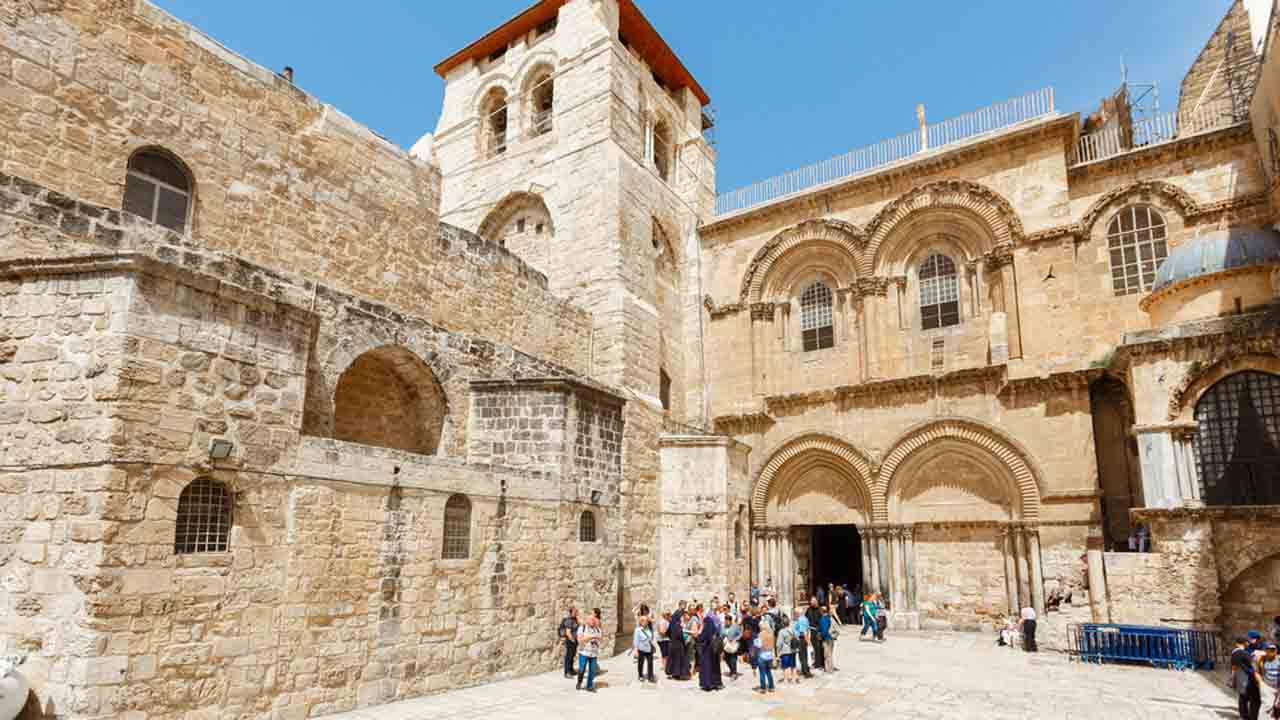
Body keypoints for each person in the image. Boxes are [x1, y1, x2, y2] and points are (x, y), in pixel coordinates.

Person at [1234, 636, 1263, 720]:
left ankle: (1247, 716)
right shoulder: (1243, 652)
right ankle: (1246, 716)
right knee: (1247, 697)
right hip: (1247, 678)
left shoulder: (1236, 652)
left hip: (1247, 678)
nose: (1249, 642)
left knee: (1248, 698)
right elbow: (1249, 665)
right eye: (1248, 641)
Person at [697, 605, 723, 691]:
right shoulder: (715, 629)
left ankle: (708, 684)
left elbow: (702, 638)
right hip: (714, 651)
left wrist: (698, 635)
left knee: (707, 667)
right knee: (715, 667)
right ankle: (716, 683)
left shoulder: (707, 627)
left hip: (707, 651)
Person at [576, 614, 603, 692]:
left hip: (593, 653)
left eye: (594, 620)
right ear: (587, 620)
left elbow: (601, 640)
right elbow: (580, 640)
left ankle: (589, 686)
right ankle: (579, 682)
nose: (593, 621)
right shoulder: (582, 628)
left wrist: (597, 640)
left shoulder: (598, 629)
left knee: (592, 670)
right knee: (582, 669)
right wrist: (591, 637)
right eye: (591, 620)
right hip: (584, 652)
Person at [754, 620, 776, 694]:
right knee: (768, 671)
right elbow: (773, 646)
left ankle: (763, 688)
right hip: (769, 655)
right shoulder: (771, 633)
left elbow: (759, 645)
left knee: (762, 672)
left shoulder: (761, 634)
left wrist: (755, 643)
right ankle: (771, 687)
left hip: (762, 655)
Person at [1257, 643, 1278, 718]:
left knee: (1277, 706)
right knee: (1267, 705)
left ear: (1276, 650)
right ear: (1266, 650)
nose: (1271, 651)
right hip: (1267, 686)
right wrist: (1260, 683)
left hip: (1278, 687)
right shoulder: (1261, 659)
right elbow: (1256, 672)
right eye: (1269, 649)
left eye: (1273, 649)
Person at [634, 613, 656, 683]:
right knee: (641, 663)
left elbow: (651, 638)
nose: (645, 622)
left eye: (646, 621)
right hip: (641, 648)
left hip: (649, 648)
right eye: (643, 621)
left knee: (650, 663)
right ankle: (640, 675)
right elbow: (636, 640)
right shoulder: (638, 630)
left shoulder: (649, 629)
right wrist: (636, 650)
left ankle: (650, 676)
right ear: (640, 622)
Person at [667, 609, 688, 680]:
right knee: (678, 660)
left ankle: (673, 672)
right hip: (678, 644)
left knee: (674, 659)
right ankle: (677, 674)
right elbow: (679, 635)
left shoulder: (672, 623)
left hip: (672, 643)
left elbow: (668, 633)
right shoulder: (677, 624)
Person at [805, 596, 825, 671]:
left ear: (817, 601)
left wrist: (819, 630)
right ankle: (814, 662)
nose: (812, 602)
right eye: (811, 601)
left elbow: (822, 621)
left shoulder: (820, 610)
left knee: (819, 647)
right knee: (813, 647)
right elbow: (806, 619)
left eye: (814, 601)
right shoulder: (808, 609)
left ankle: (820, 663)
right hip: (811, 630)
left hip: (818, 630)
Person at [560, 606, 580, 679]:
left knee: (572, 656)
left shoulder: (575, 619)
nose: (576, 613)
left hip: (575, 640)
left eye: (576, 611)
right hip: (570, 640)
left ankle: (571, 670)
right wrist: (572, 640)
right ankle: (567, 672)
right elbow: (568, 632)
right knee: (569, 656)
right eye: (575, 612)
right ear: (571, 612)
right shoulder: (569, 620)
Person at [777, 616, 798, 684]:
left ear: (783, 624)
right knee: (793, 665)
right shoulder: (793, 630)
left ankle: (786, 679)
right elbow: (797, 637)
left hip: (785, 651)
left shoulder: (781, 631)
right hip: (793, 650)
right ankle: (794, 678)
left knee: (785, 666)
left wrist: (778, 651)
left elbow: (779, 643)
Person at [722, 612, 742, 680]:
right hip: (726, 645)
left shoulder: (735, 627)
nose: (726, 622)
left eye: (727, 621)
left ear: (730, 621)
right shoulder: (723, 627)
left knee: (733, 659)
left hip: (734, 645)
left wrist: (735, 639)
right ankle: (732, 670)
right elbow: (721, 634)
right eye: (725, 621)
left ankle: (734, 673)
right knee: (727, 659)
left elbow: (740, 634)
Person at [793, 608, 812, 678]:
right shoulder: (804, 619)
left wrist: (808, 641)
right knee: (804, 656)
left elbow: (803, 632)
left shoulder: (801, 620)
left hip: (801, 639)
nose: (794, 614)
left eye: (795, 613)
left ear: (798, 613)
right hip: (803, 639)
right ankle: (806, 671)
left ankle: (806, 672)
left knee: (803, 656)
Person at [819, 605, 838, 672]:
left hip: (827, 638)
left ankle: (829, 669)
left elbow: (824, 630)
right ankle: (831, 667)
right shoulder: (828, 617)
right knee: (830, 653)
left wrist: (820, 636)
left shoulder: (823, 619)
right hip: (831, 638)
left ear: (821, 611)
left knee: (827, 654)